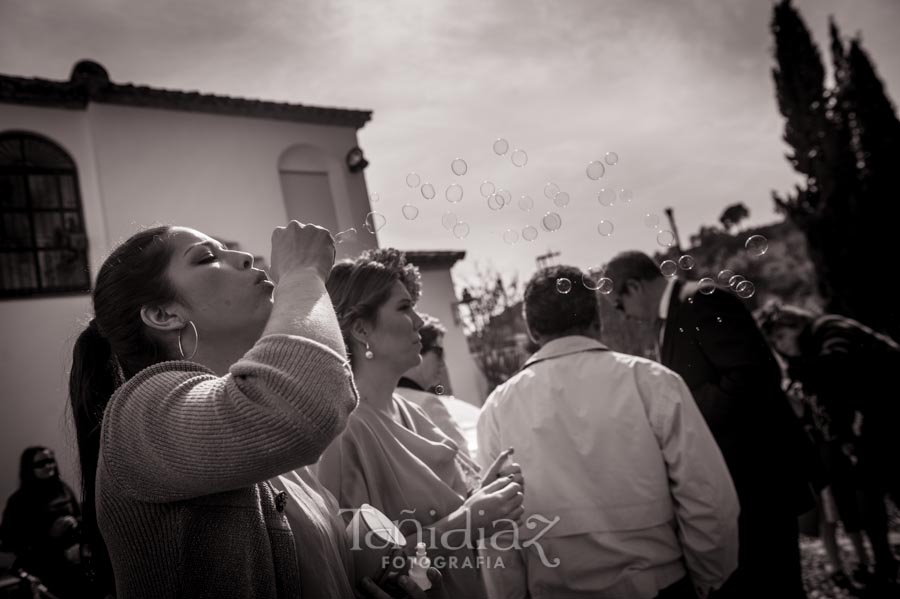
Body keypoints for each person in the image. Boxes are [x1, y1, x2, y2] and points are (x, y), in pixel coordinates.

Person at [68, 222, 433, 599]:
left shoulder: (267, 443)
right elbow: (307, 404)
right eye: (207, 257)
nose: (244, 257)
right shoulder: (141, 413)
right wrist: (303, 273)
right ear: (163, 315)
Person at [477, 265, 739, 599]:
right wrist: (708, 577)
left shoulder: (498, 408)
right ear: (596, 319)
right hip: (662, 585)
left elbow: (498, 527)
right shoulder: (653, 382)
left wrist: (508, 594)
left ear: (532, 331)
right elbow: (706, 494)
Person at [604, 251, 818, 599]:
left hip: (758, 478)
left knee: (777, 585)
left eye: (617, 303)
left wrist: (682, 411)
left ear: (634, 286)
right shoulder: (672, 317)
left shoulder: (701, 301)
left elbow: (754, 375)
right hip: (735, 485)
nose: (621, 314)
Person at [317, 248, 525, 599]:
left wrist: (485, 494)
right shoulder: (344, 430)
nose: (419, 321)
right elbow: (356, 568)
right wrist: (469, 520)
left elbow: (447, 510)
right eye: (403, 307)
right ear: (360, 328)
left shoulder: (412, 412)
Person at [757, 302, 900, 590]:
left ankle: (885, 565)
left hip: (895, 412)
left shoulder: (830, 329)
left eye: (781, 337)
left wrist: (796, 370)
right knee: (869, 498)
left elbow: (837, 368)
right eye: (774, 344)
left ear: (795, 323)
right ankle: (884, 564)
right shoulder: (813, 353)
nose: (781, 348)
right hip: (876, 422)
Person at [0, 446, 89, 598]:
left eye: (50, 461)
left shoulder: (63, 489)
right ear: (29, 469)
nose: (48, 466)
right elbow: (10, 541)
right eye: (41, 464)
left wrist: (74, 521)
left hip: (74, 559)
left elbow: (81, 517)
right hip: (43, 567)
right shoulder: (19, 501)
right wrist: (49, 534)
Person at [396, 313, 479, 456]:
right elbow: (464, 462)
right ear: (417, 351)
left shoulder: (387, 401)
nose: (443, 363)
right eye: (439, 352)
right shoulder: (427, 404)